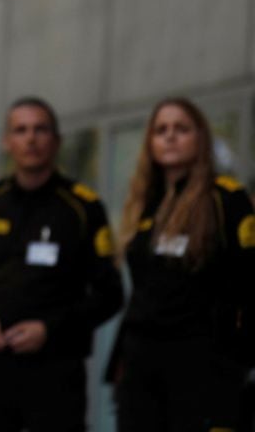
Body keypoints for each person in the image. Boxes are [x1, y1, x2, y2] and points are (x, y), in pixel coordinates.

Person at [0, 96, 123, 432]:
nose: (31, 138)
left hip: (57, 372)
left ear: (56, 141)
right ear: (7, 141)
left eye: (40, 129)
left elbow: (110, 294)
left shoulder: (83, 208)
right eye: (21, 130)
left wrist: (51, 329)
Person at [109, 98, 255, 432]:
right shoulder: (144, 205)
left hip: (203, 366)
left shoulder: (226, 199)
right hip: (142, 369)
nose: (170, 137)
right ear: (150, 142)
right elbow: (142, 293)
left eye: (181, 129)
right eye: (161, 130)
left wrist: (238, 357)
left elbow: (249, 282)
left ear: (200, 138)